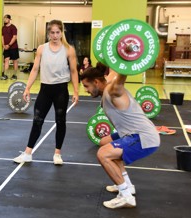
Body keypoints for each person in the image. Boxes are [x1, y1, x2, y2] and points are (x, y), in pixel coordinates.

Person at [80, 63, 160, 209]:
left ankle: (126, 196)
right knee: (104, 142)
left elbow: (120, 78)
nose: (85, 90)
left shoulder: (112, 90)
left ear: (96, 82)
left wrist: (127, 64)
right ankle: (127, 185)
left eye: (86, 86)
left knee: (103, 154)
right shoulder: (106, 81)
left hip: (142, 136)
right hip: (131, 133)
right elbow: (115, 67)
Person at [13, 19, 79, 165]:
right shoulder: (42, 48)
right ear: (48, 33)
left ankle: (57, 154)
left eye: (58, 32)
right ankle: (28, 153)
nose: (55, 35)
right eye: (52, 33)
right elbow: (35, 69)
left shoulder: (69, 49)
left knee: (60, 121)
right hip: (45, 89)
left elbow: (74, 71)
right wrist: (27, 88)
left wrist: (76, 91)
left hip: (61, 89)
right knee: (37, 120)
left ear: (62, 32)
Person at [1, 14, 19, 80]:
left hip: (13, 47)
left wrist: (9, 45)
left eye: (6, 18)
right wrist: (3, 45)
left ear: (9, 19)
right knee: (6, 60)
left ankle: (15, 75)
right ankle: (5, 75)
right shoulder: (3, 28)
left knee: (15, 61)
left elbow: (14, 37)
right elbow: (2, 37)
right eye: (4, 18)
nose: (5, 20)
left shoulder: (13, 27)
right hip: (6, 47)